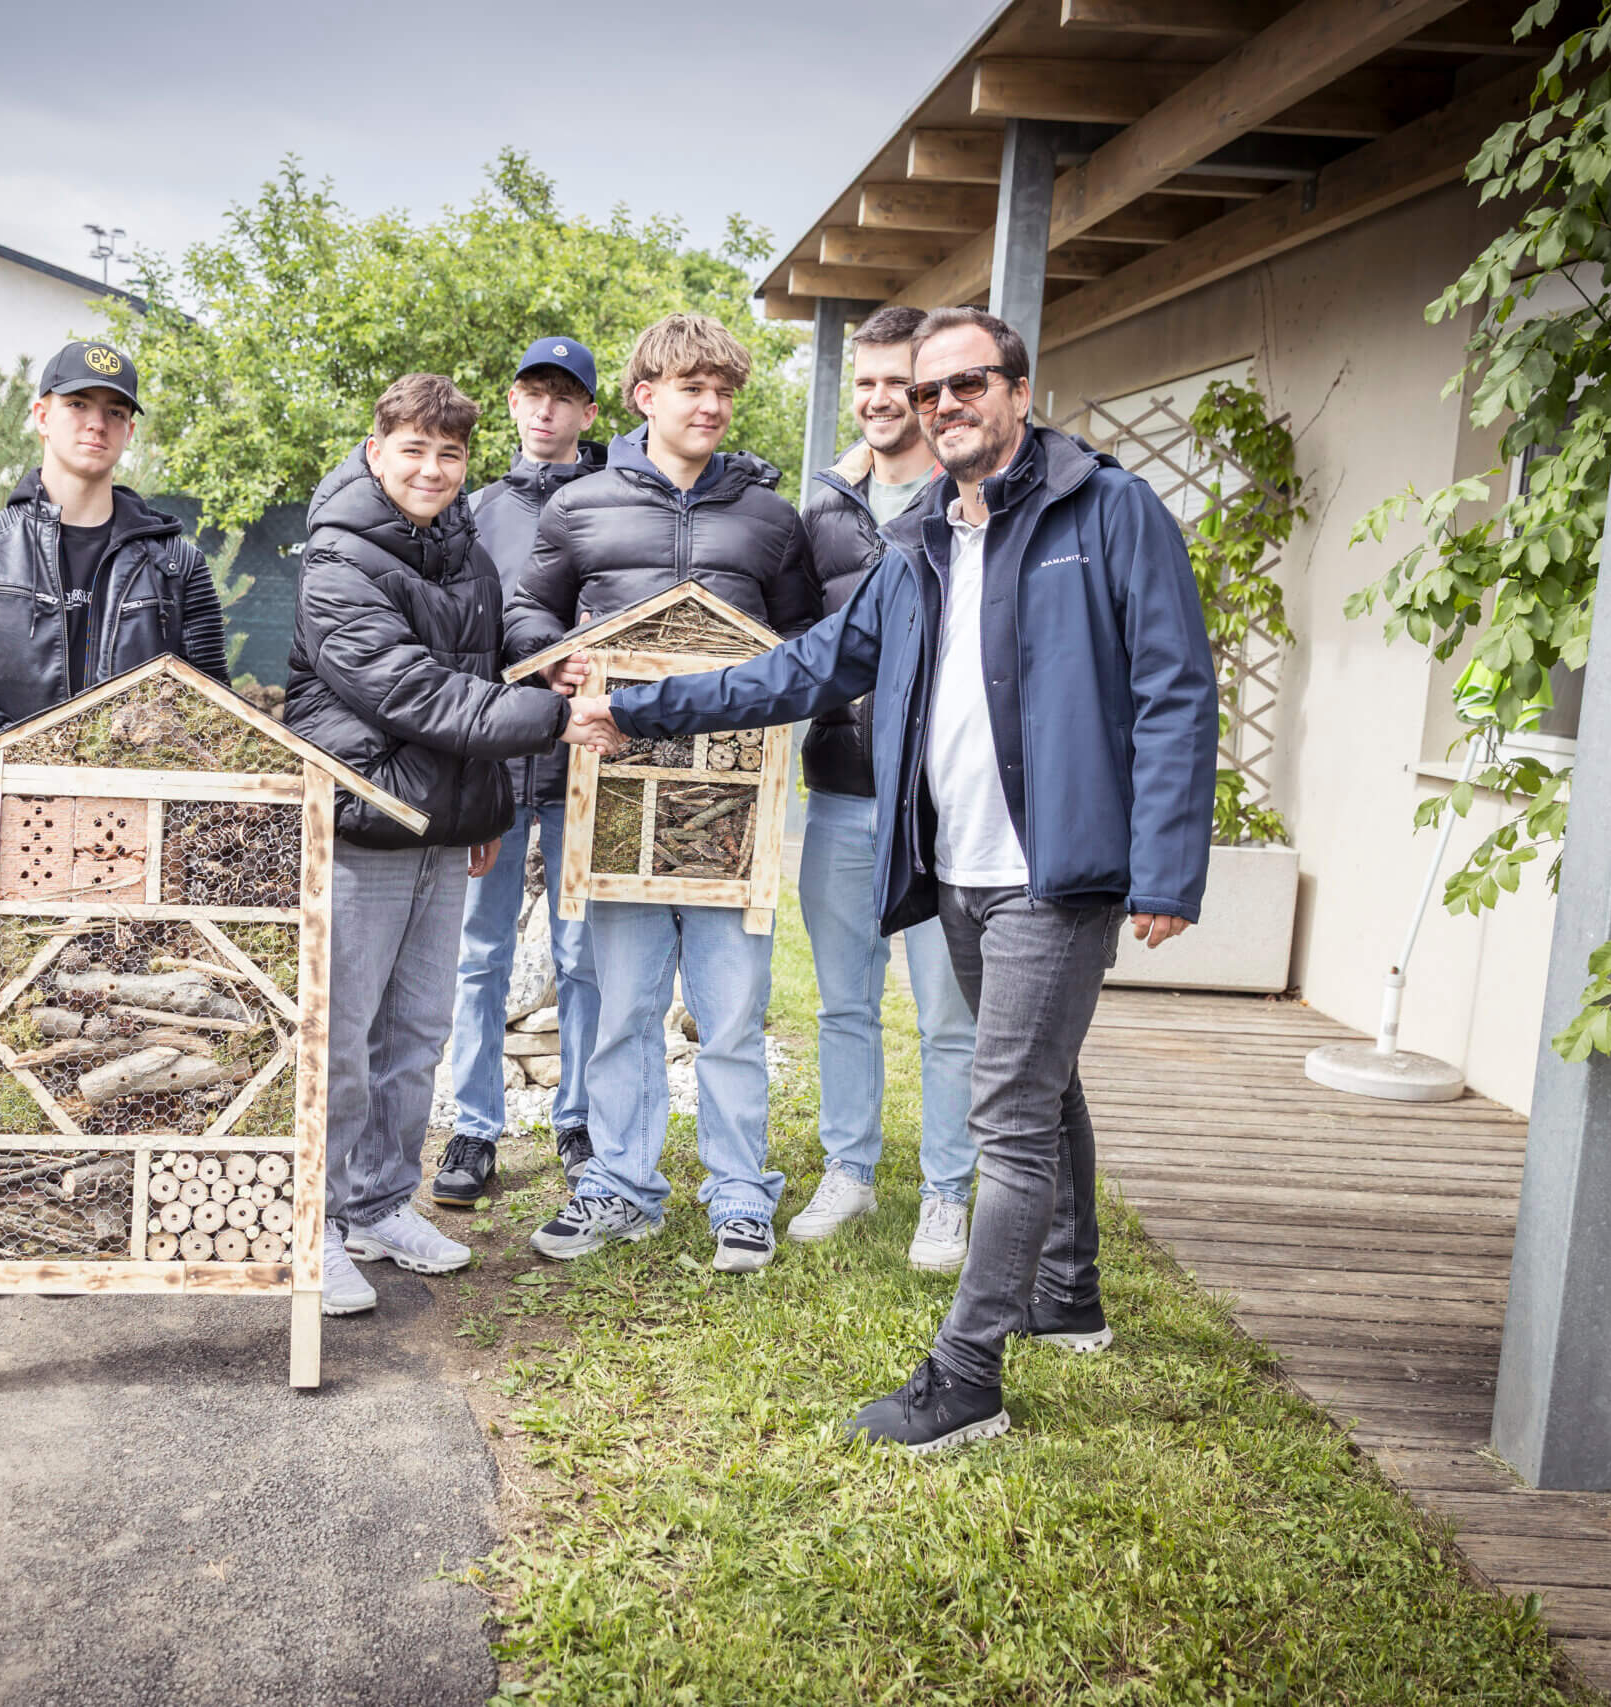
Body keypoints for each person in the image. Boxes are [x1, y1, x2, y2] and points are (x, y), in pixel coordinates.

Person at [564, 305, 1217, 1449]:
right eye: (927, 393)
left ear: (1017, 388)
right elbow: (812, 666)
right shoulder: (918, 538)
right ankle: (1069, 1295)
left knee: (1005, 1110)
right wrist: (642, 708)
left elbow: (1175, 689)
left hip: (1055, 866)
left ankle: (966, 1378)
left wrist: (1166, 864)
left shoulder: (1106, 510)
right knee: (1040, 1081)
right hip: (952, 856)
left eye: (970, 384)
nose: (946, 407)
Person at [506, 313, 819, 1275]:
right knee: (622, 1006)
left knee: (731, 1011)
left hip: (734, 800)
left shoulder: (770, 516)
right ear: (646, 396)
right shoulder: (582, 505)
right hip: (616, 796)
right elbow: (527, 611)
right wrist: (553, 670)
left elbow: (808, 638)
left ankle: (739, 1196)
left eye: (726, 390)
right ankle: (622, 1187)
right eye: (694, 388)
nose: (714, 406)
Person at [284, 373, 595, 1316]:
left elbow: (489, 657)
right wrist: (559, 714)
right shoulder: (336, 561)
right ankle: (318, 1226)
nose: (432, 468)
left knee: (416, 1034)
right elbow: (414, 692)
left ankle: (382, 1203)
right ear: (375, 452)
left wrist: (485, 812)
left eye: (449, 454)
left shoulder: (465, 551)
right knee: (341, 1041)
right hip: (363, 823)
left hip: (442, 829)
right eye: (413, 449)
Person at [785, 305, 981, 1271]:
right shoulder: (820, 508)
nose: (875, 399)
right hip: (843, 792)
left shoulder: (971, 498)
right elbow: (787, 644)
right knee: (842, 999)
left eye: (894, 382)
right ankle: (849, 1171)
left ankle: (948, 1194)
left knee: (948, 1011)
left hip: (943, 801)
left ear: (931, 390)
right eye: (860, 382)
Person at [435, 336, 607, 1208]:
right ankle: (473, 1127)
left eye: (563, 396)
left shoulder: (617, 502)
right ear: (511, 403)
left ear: (589, 412)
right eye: (532, 393)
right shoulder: (472, 508)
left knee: (582, 953)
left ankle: (577, 1121)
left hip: (585, 759)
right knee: (479, 951)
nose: (546, 410)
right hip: (496, 757)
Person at [0, 339, 227, 759]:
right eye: (77, 404)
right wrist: (30, 752)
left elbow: (211, 705)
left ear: (129, 431)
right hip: (15, 805)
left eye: (115, 412)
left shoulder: (178, 565)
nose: (97, 423)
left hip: (137, 806)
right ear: (42, 417)